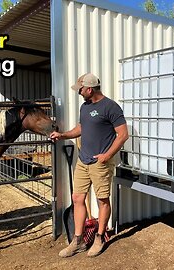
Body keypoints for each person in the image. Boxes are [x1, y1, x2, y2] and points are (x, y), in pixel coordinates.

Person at [50, 73, 129, 257]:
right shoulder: (84, 107)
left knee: (102, 200)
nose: (78, 92)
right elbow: (81, 128)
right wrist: (62, 135)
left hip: (100, 163)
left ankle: (99, 237)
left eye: (80, 89)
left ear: (89, 89)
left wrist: (107, 155)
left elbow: (123, 134)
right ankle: (78, 240)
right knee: (77, 198)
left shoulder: (110, 107)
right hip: (83, 160)